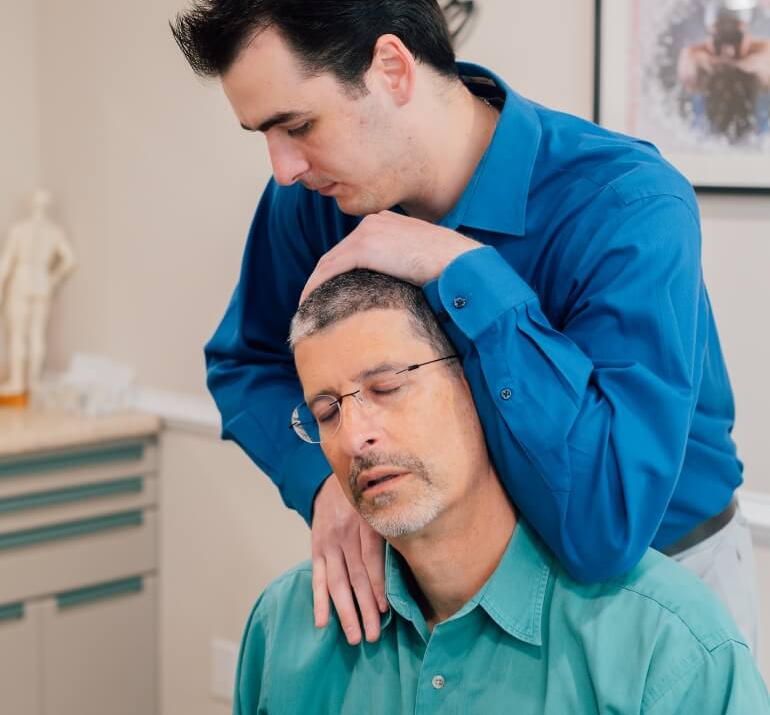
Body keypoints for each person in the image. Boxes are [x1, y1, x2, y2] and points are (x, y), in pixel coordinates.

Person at [170, 0, 760, 651]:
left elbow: (604, 527)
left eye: (298, 125)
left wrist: (460, 270)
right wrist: (322, 487)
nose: (283, 167)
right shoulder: (311, 204)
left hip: (654, 578)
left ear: (392, 68)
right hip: (442, 584)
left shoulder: (625, 204)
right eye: (262, 134)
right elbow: (248, 363)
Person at [233, 269, 769, 714]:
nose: (354, 436)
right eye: (327, 410)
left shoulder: (666, 643)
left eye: (388, 388)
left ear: (478, 383)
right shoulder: (287, 623)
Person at [0, 189, 76, 398]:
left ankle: (18, 382)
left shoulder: (19, 230)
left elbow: (5, 264)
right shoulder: (54, 232)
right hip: (41, 283)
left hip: (21, 283)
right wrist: (53, 279)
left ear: (30, 204)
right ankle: (34, 382)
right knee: (37, 337)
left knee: (18, 335)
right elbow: (69, 261)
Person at [677, 0, 770, 141]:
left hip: (756, 133)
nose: (729, 47)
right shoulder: (695, 54)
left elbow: (761, 67)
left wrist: (725, 62)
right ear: (711, 32)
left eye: (735, 35)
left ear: (746, 30)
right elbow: (688, 74)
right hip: (709, 134)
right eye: (722, 35)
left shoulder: (762, 50)